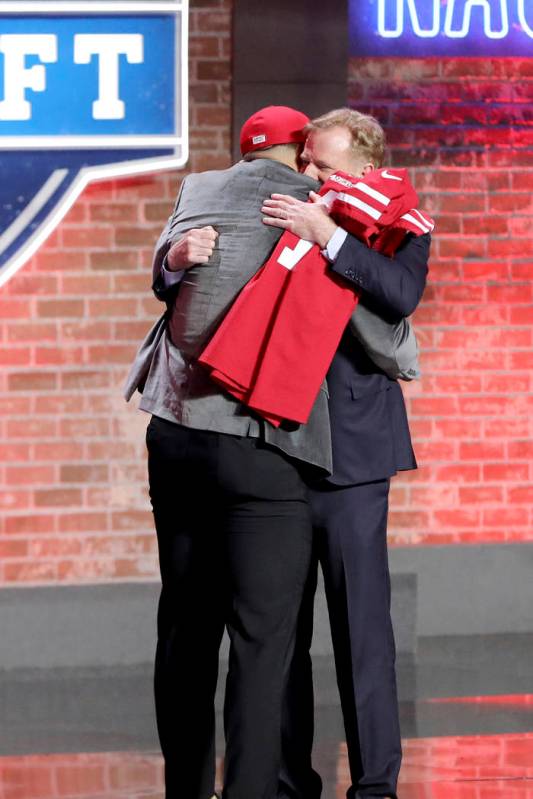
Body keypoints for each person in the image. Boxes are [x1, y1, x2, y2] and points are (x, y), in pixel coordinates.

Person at [124, 106, 337, 799]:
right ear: (304, 151)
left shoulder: (197, 190)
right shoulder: (318, 204)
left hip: (176, 435)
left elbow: (164, 276)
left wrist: (173, 260)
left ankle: (184, 790)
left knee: (185, 627)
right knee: (262, 639)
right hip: (260, 443)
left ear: (243, 152)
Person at [260, 109, 430, 799]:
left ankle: (375, 786)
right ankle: (286, 779)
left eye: (323, 167)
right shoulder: (285, 212)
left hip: (354, 456)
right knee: (279, 633)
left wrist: (329, 235)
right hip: (275, 447)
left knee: (362, 631)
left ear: (362, 166)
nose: (309, 177)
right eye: (304, 162)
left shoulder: (399, 222)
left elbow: (398, 295)